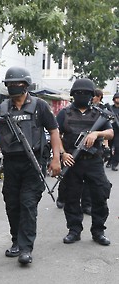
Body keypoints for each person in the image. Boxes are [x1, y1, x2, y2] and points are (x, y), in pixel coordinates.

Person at [0, 67, 61, 265]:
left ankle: (26, 248)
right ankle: (16, 241)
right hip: (10, 164)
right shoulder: (2, 108)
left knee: (28, 204)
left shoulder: (39, 106)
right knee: (12, 204)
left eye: (16, 83)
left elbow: (53, 131)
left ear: (26, 85)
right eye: (9, 84)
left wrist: (56, 158)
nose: (12, 86)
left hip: (33, 163)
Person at [57, 78, 113, 246]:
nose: (82, 96)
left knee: (100, 195)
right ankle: (74, 230)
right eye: (79, 93)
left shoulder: (98, 114)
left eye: (85, 94)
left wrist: (97, 134)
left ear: (91, 96)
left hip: (93, 161)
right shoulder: (64, 113)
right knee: (72, 196)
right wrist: (63, 153)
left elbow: (110, 132)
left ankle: (98, 231)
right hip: (72, 161)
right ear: (73, 95)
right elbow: (55, 135)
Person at [108, 92, 119, 171]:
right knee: (109, 146)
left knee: (117, 147)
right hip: (110, 129)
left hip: (118, 131)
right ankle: (109, 160)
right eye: (116, 98)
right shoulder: (110, 108)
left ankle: (114, 164)